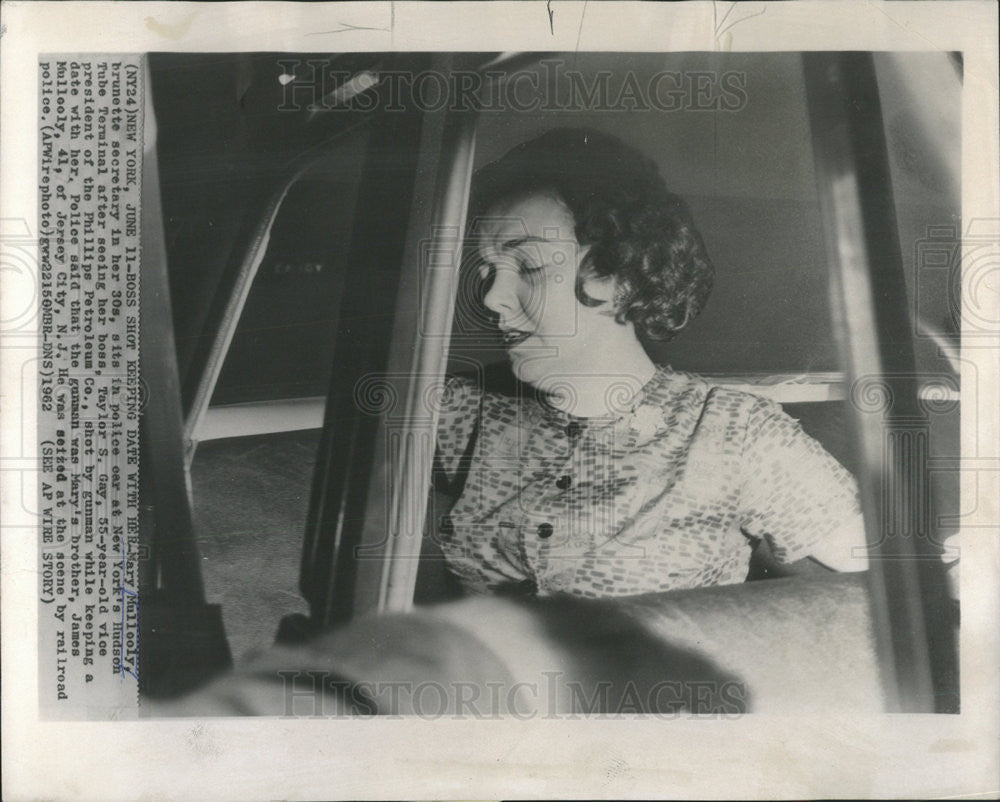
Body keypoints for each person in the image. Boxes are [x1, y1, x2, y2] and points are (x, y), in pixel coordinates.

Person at [433, 127, 868, 599]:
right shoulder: (461, 411)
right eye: (487, 272)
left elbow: (893, 569)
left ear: (618, 274)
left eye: (529, 267)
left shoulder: (731, 432)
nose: (492, 298)